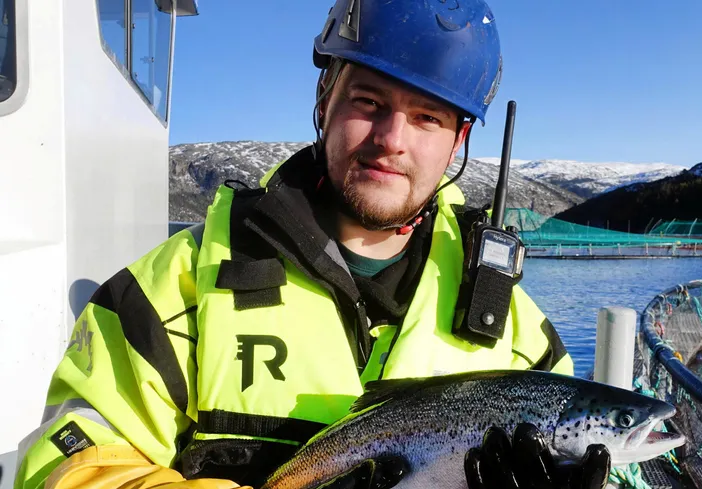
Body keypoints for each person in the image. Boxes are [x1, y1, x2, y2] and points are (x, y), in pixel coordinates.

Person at [13, 1, 612, 488]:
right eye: (369, 102)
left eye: (428, 117)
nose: (391, 140)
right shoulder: (173, 290)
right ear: (326, 100)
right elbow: (67, 466)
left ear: (457, 143)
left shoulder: (519, 338)